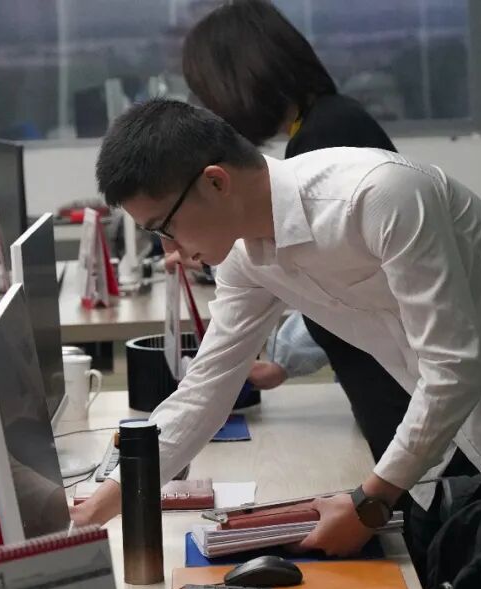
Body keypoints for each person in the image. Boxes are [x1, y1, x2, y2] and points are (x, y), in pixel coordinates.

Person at [71, 99, 481, 568]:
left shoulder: (378, 196)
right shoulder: (245, 258)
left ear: (216, 182)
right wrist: (104, 502)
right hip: (465, 430)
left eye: (163, 227)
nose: (169, 248)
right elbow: (205, 390)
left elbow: (455, 367)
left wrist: (370, 502)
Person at [174, 0, 412, 464]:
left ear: (238, 79)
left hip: (395, 394)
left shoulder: (325, 139)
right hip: (382, 386)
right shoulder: (326, 123)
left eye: (208, 93)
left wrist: (285, 358)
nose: (212, 110)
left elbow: (336, 282)